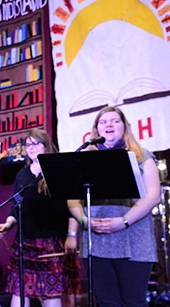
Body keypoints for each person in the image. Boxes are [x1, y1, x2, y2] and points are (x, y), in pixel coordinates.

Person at [68, 106, 160, 307]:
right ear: (96, 130)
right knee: (107, 302)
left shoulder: (142, 156)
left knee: (133, 303)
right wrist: (84, 221)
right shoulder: (84, 158)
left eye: (114, 121)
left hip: (134, 241)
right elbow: (72, 197)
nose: (109, 125)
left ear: (125, 127)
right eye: (103, 122)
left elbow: (153, 196)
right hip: (96, 241)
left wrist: (123, 221)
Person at [0, 129, 80, 307]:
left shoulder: (59, 171)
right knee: (19, 293)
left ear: (46, 145)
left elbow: (73, 207)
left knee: (51, 295)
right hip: (25, 243)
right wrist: (8, 223)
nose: (31, 148)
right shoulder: (22, 175)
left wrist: (72, 235)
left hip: (51, 243)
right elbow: (16, 206)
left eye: (36, 144)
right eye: (28, 145)